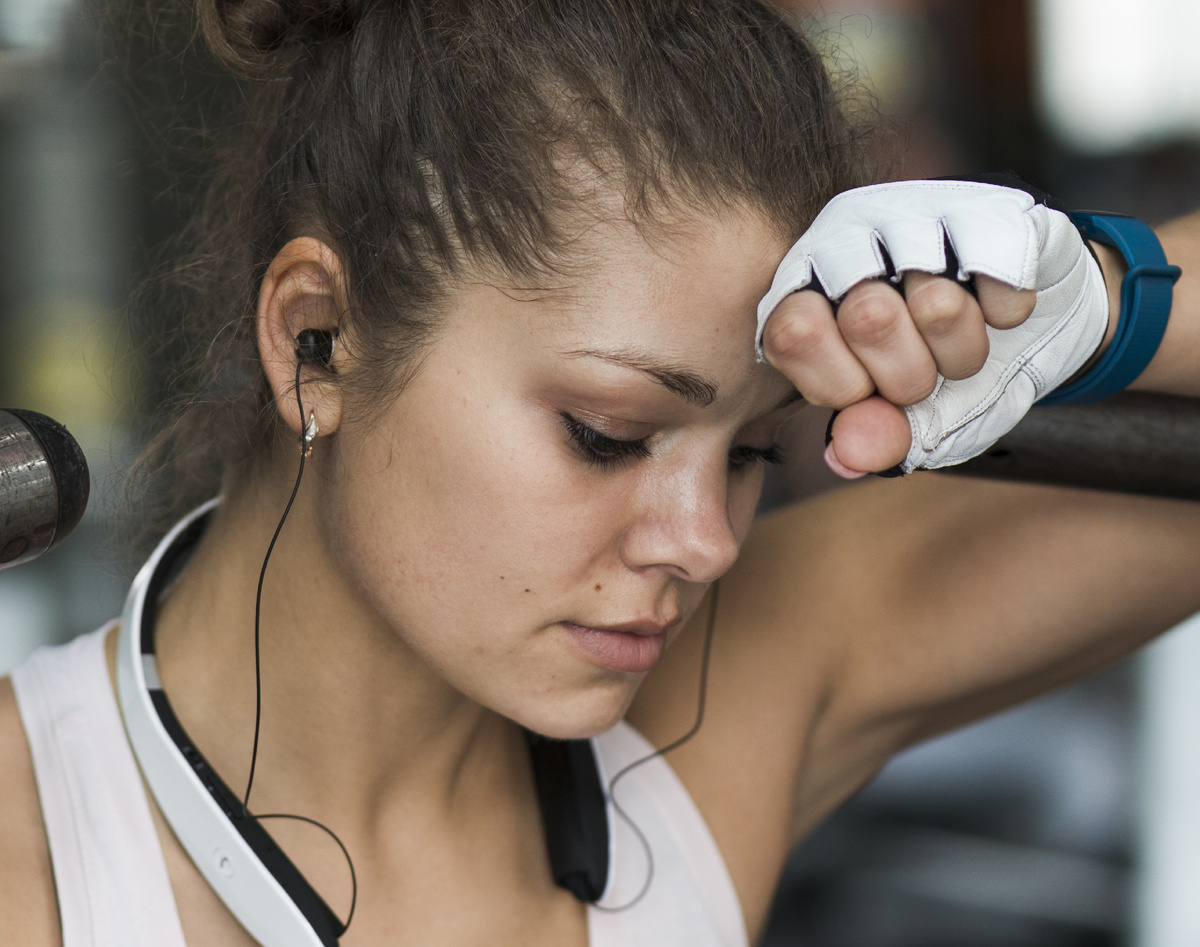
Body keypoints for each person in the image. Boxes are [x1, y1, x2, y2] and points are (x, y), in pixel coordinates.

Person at [2, 1, 1199, 944]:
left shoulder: (737, 700)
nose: (708, 540)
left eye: (748, 452)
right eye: (608, 432)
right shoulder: (30, 833)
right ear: (316, 337)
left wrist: (1107, 300)